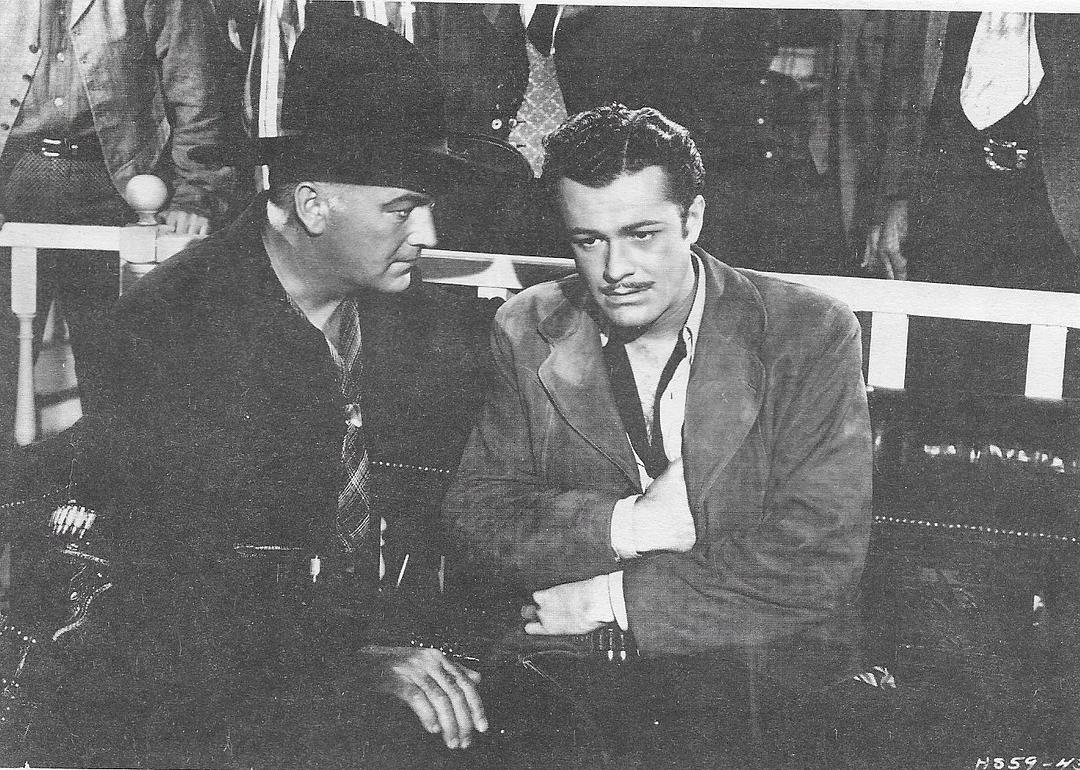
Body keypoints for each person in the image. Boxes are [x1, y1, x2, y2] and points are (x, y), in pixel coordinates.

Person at [15, 17, 497, 768]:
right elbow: (174, 594)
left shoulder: (420, 321)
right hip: (213, 699)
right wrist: (354, 664)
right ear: (311, 205)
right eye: (403, 208)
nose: (428, 234)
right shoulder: (169, 328)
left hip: (390, 667)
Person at [443, 104, 873, 764]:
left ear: (692, 220)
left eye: (641, 234)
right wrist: (632, 525)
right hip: (570, 675)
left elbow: (819, 560)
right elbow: (475, 519)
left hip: (755, 676)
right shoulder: (527, 326)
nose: (615, 268)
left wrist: (609, 599)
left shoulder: (808, 331)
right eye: (589, 240)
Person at [0, 0, 237, 412]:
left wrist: (195, 195)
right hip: (13, 181)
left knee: (116, 374)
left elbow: (195, 88)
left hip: (118, 188)